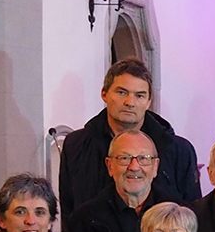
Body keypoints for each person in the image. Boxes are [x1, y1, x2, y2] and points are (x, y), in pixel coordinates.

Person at [58, 58, 200, 218]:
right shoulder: (76, 145)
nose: (130, 102)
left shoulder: (178, 150)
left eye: (139, 95)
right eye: (121, 92)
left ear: (148, 101)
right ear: (104, 94)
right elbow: (69, 212)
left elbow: (191, 216)